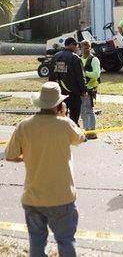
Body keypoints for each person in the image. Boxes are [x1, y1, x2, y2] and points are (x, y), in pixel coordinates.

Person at [4, 82, 86, 257]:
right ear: (59, 105)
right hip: (62, 197)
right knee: (66, 242)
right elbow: (81, 137)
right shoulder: (65, 125)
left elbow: (10, 156)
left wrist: (27, 157)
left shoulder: (24, 126)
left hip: (33, 197)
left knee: (37, 243)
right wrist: (64, 116)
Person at [49, 37, 87, 125]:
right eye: (75, 46)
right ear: (71, 45)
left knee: (61, 115)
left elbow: (51, 75)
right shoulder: (74, 57)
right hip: (73, 92)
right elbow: (80, 76)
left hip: (59, 92)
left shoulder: (55, 57)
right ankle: (72, 132)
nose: (76, 48)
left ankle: (62, 134)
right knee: (74, 116)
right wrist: (83, 90)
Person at [80, 40, 101, 140]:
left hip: (90, 88)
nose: (85, 49)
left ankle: (92, 131)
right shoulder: (79, 59)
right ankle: (86, 129)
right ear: (80, 48)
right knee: (82, 111)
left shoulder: (94, 60)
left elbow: (96, 74)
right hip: (81, 88)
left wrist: (85, 73)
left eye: (87, 47)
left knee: (89, 110)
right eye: (83, 47)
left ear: (90, 48)